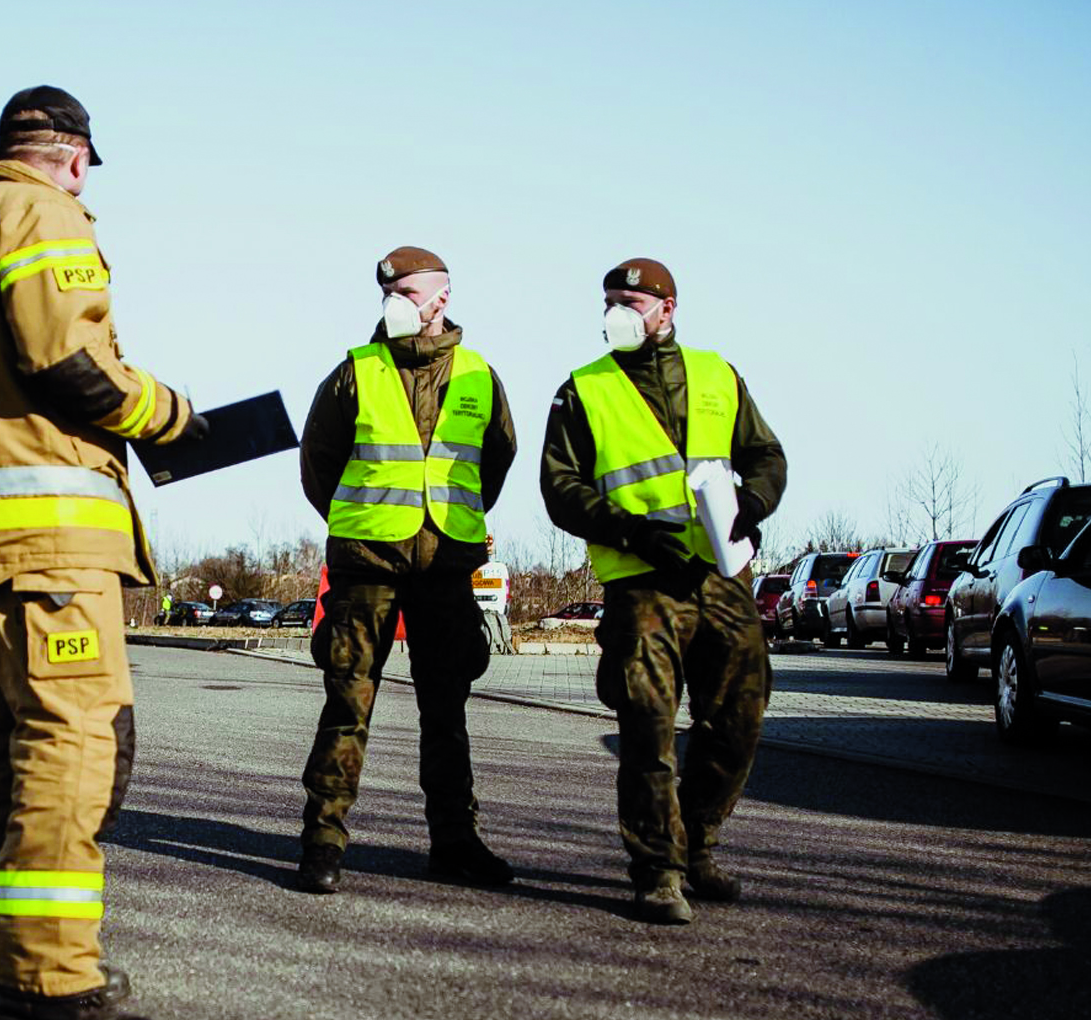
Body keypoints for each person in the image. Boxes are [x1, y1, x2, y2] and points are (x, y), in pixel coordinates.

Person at [0, 87, 202, 1020]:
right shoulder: (40, 211)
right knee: (71, 744)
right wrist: (170, 414)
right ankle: (48, 979)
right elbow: (64, 362)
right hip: (48, 542)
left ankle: (5, 961)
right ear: (74, 158)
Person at [539, 258, 787, 924]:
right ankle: (657, 870)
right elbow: (560, 487)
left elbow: (766, 457)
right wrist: (628, 529)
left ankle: (699, 844)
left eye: (631, 301)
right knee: (647, 727)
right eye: (609, 301)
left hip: (720, 576)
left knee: (737, 721)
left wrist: (751, 506)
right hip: (641, 583)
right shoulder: (582, 390)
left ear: (667, 309)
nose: (616, 313)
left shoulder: (716, 374)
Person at [294, 246, 518, 895]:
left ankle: (455, 843)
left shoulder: (478, 375)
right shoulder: (353, 374)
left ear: (442, 298)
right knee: (346, 705)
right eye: (387, 289)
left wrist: (449, 524)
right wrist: (365, 526)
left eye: (408, 289)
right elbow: (320, 469)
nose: (395, 299)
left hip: (446, 568)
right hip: (366, 568)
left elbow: (493, 464)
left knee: (446, 713)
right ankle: (323, 843)